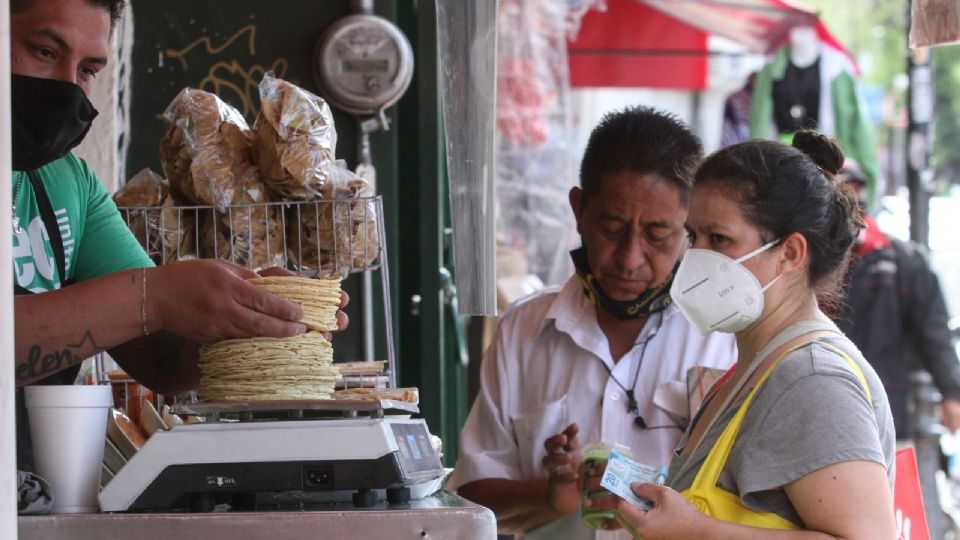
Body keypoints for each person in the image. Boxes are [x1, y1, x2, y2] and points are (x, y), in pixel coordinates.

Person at [9, 0, 347, 474]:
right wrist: (157, 296)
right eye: (44, 51)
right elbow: (150, 303)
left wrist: (237, 312)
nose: (68, 86)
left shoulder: (68, 181)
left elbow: (161, 359)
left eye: (87, 69)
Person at [448, 106, 737, 539]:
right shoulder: (524, 331)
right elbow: (472, 501)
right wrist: (550, 495)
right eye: (612, 227)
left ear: (689, 230)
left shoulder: (725, 339)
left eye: (657, 235)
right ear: (579, 210)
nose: (629, 258)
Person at [612, 132, 896, 538]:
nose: (696, 258)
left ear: (791, 254)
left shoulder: (813, 379)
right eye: (694, 237)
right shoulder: (757, 365)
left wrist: (697, 531)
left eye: (720, 240)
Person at [836, 159, 960, 438]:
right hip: (815, 405)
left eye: (844, 188)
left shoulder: (901, 260)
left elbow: (933, 330)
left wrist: (951, 392)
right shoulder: (798, 257)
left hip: (885, 408)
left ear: (856, 190)